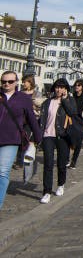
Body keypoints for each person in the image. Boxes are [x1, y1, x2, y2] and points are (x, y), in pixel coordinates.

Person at [0, 71, 42, 209]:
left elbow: (31, 118)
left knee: (3, 172)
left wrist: (37, 137)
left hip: (11, 139)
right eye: (4, 81)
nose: (6, 84)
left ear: (16, 82)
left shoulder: (23, 98)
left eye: (10, 81)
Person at [38, 78, 78, 204]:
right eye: (57, 87)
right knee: (48, 164)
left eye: (62, 87)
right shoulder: (47, 102)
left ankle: (61, 184)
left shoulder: (69, 101)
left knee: (61, 163)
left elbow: (72, 113)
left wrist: (64, 100)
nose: (59, 89)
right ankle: (47, 192)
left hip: (62, 135)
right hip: (48, 135)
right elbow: (43, 119)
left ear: (66, 89)